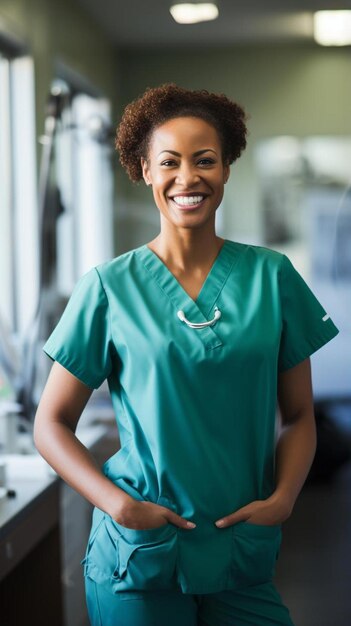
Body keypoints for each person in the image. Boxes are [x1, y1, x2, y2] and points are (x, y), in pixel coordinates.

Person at [34, 83, 339, 626]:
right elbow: (52, 424)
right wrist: (120, 506)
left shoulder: (273, 278)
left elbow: (299, 417)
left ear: (226, 169)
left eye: (206, 161)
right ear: (145, 170)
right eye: (169, 162)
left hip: (242, 552)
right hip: (140, 558)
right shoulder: (109, 286)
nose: (188, 177)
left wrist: (284, 499)